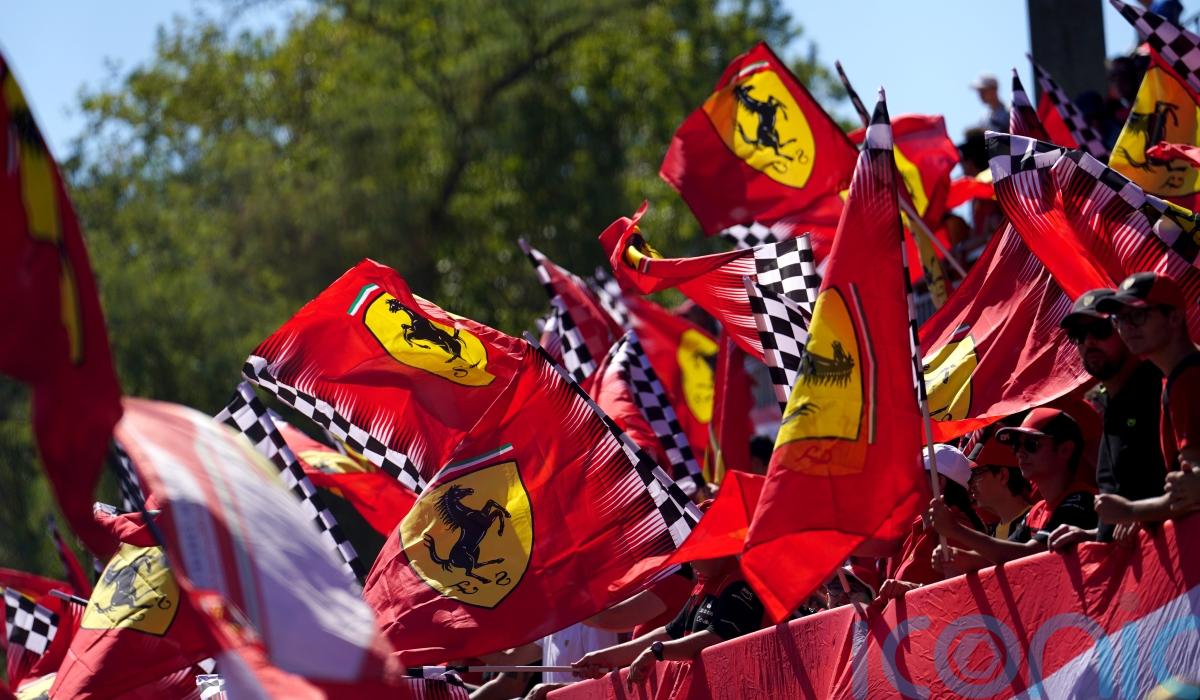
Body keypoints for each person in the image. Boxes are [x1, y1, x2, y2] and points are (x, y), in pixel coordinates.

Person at [1048, 289, 1166, 551]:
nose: (1089, 341)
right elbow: (1122, 515)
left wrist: (1143, 513)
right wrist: (1091, 534)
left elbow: (1188, 486)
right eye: (1078, 335)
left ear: (1125, 328)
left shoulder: (1161, 389)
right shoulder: (1112, 408)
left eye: (1100, 329)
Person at [1091, 272, 1200, 525]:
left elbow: (1190, 491)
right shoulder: (1175, 378)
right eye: (1119, 318)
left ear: (1174, 317)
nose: (1126, 327)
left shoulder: (1189, 378)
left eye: (1138, 315)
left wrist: (1131, 511)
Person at [929, 409, 1098, 567]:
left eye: (1031, 444)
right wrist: (957, 557)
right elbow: (1001, 553)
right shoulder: (1037, 511)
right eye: (1016, 445)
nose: (1019, 453)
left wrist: (956, 530)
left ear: (1065, 450)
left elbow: (1029, 556)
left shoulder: (1081, 500)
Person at [570, 553, 765, 689]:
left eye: (694, 551)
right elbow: (670, 632)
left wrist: (657, 651)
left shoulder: (739, 583)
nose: (688, 561)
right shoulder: (704, 584)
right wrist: (604, 657)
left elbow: (717, 636)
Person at [876, 444, 985, 599]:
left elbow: (961, 596)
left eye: (913, 477)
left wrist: (913, 589)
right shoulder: (916, 527)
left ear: (939, 482)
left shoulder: (956, 529)